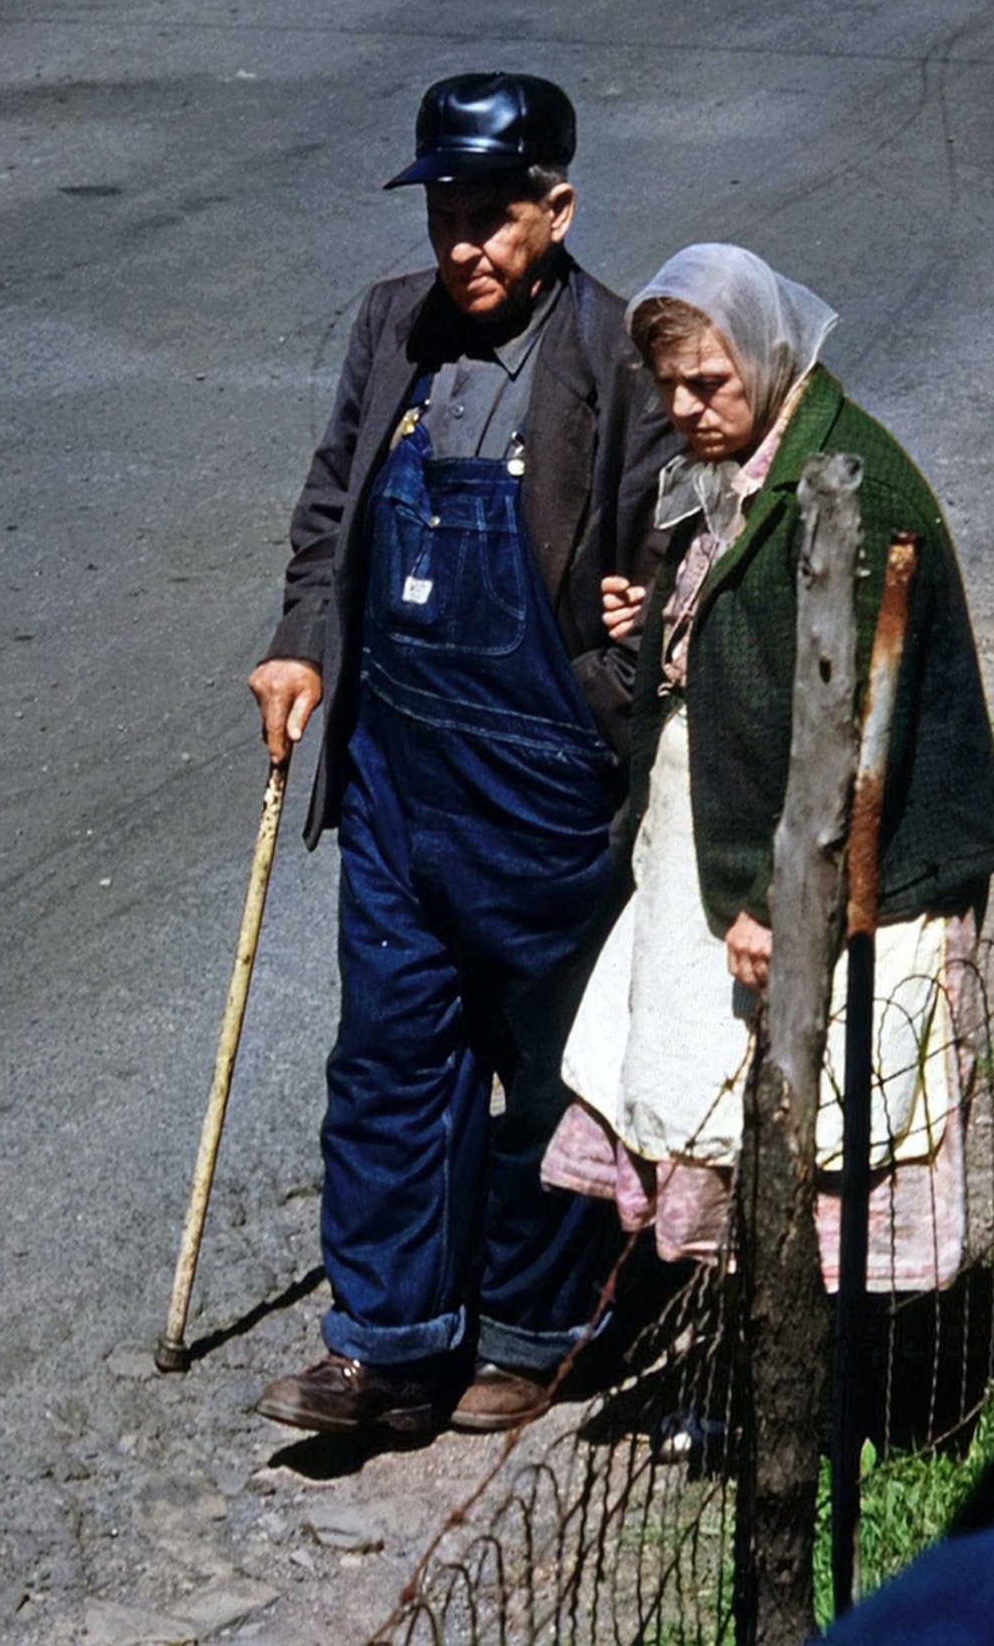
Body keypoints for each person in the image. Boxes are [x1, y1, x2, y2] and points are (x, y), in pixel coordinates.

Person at [247, 72, 678, 1437]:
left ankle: (535, 1330)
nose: (462, 246)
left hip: (542, 778)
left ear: (558, 211)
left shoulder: (618, 356)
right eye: (445, 214)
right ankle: (386, 1342)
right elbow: (334, 502)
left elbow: (672, 544)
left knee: (545, 1069)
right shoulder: (394, 323)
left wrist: (631, 650)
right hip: (395, 767)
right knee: (388, 1055)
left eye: (491, 218)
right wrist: (301, 643)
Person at [543, 242, 994, 1291]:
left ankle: (836, 1375)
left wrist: (786, 899)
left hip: (821, 865)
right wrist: (668, 617)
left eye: (709, 382)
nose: (685, 408)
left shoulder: (851, 489)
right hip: (726, 851)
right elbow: (739, 616)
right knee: (726, 1122)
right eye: (668, 386)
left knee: (821, 1128)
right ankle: (749, 1347)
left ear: (768, 353)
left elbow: (857, 729)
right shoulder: (736, 465)